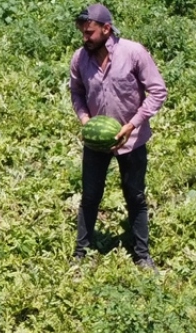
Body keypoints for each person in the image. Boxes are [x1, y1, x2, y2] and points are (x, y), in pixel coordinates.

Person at [70, 4, 167, 269]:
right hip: (95, 142)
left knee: (134, 196)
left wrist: (133, 124)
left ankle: (142, 256)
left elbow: (158, 91)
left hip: (132, 141)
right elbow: (76, 92)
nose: (85, 38)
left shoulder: (133, 53)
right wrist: (85, 120)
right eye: (82, 33)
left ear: (106, 28)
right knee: (90, 197)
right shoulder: (80, 58)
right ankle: (80, 254)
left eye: (89, 33)